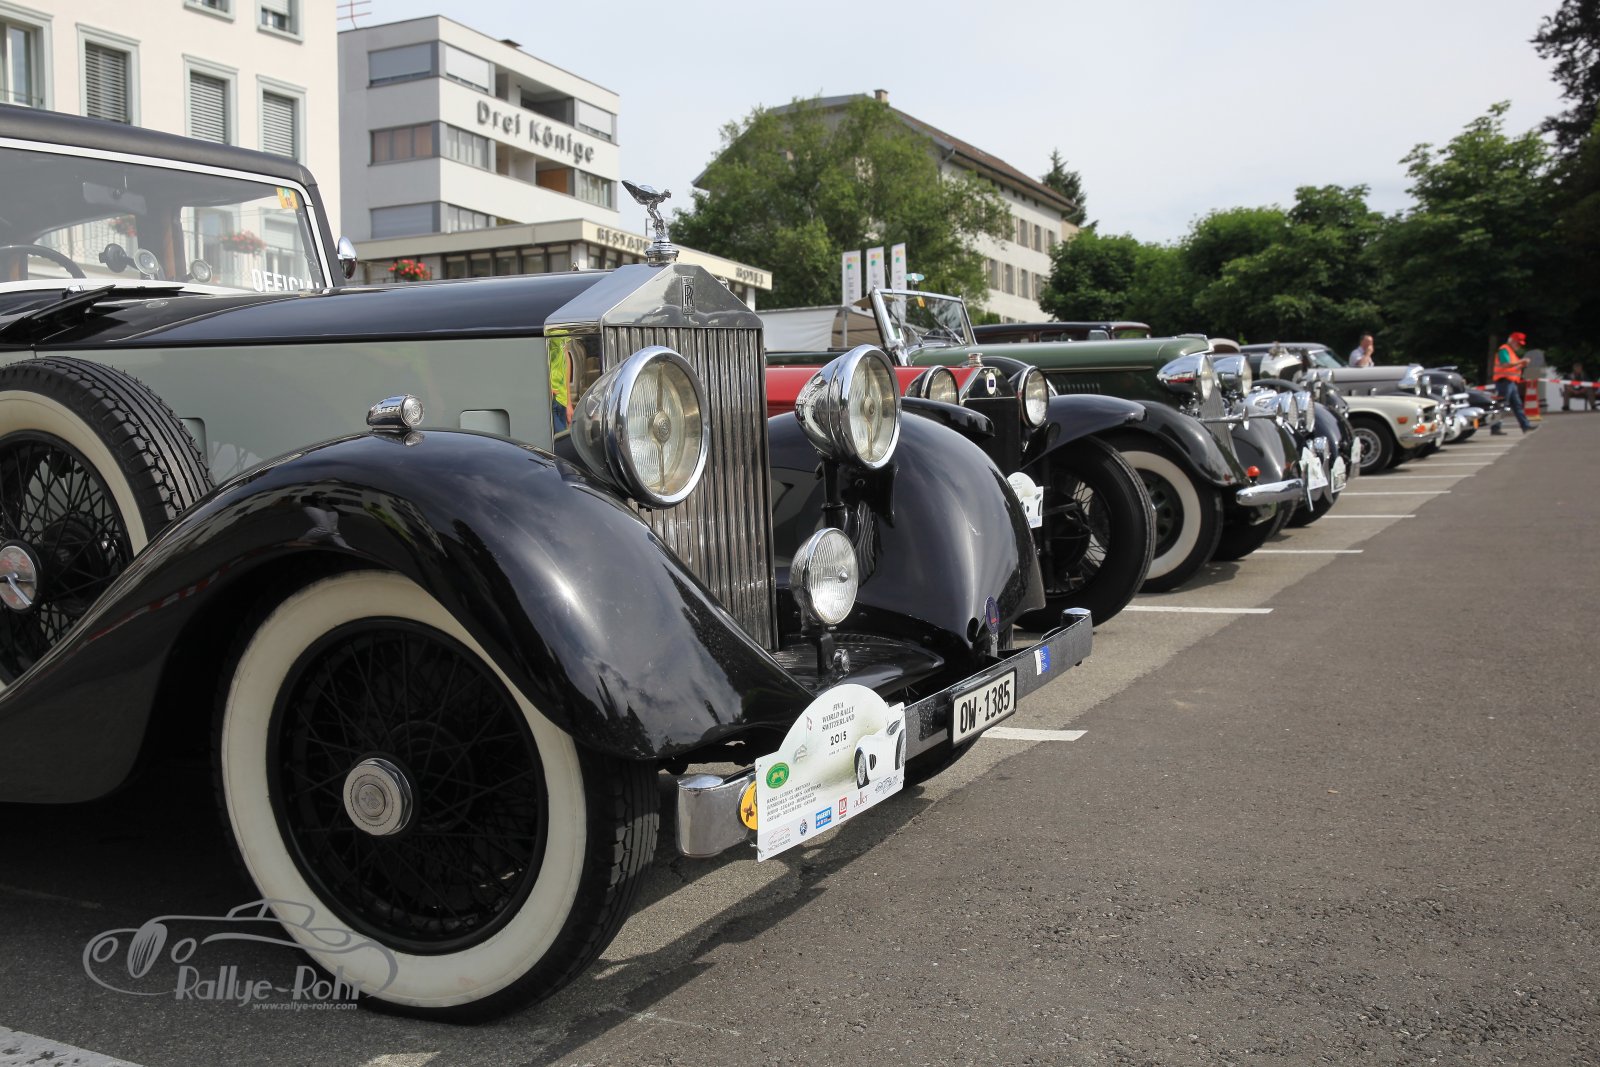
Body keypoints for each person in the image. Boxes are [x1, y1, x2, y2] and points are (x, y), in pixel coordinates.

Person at [1491, 331, 1537, 434]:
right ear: (1512, 341)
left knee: (1517, 405)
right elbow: (1505, 364)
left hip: (1510, 382)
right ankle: (1495, 428)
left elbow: (1512, 367)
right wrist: (1522, 361)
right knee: (1502, 405)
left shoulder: (1510, 352)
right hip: (1504, 382)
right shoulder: (1504, 350)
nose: (1519, 346)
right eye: (1518, 343)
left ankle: (1525, 426)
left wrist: (1521, 365)